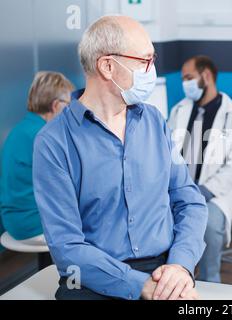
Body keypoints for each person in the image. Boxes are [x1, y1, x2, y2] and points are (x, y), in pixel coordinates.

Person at [32, 15, 208, 300]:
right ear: (108, 66)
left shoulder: (154, 121)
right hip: (91, 277)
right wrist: (140, 286)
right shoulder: (54, 142)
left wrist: (180, 264)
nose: (152, 70)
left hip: (164, 269)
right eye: (145, 61)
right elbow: (67, 247)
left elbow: (189, 201)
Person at [168, 56, 232, 283]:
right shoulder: (179, 111)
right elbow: (167, 153)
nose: (185, 83)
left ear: (206, 76)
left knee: (210, 225)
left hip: (214, 194)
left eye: (188, 78)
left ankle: (209, 282)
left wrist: (204, 191)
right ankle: (174, 278)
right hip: (178, 189)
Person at [0, 71, 73, 245]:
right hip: (32, 223)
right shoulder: (42, 136)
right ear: (56, 105)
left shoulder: (22, 129)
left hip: (14, 220)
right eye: (69, 104)